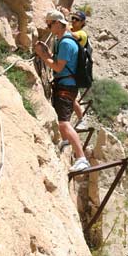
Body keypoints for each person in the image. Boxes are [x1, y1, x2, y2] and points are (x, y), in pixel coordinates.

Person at [34, 10, 90, 173]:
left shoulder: (65, 43)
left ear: (58, 23)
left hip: (66, 86)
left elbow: (58, 67)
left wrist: (43, 55)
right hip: (67, 84)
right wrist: (48, 53)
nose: (48, 26)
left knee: (64, 123)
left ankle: (81, 159)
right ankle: (67, 142)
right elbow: (60, 62)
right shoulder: (64, 40)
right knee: (63, 121)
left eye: (50, 23)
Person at [70, 11, 89, 129]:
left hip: (74, 70)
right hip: (69, 67)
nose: (73, 21)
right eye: (72, 18)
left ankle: (82, 119)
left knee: (70, 97)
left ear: (82, 22)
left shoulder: (82, 34)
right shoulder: (71, 30)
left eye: (76, 19)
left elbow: (74, 36)